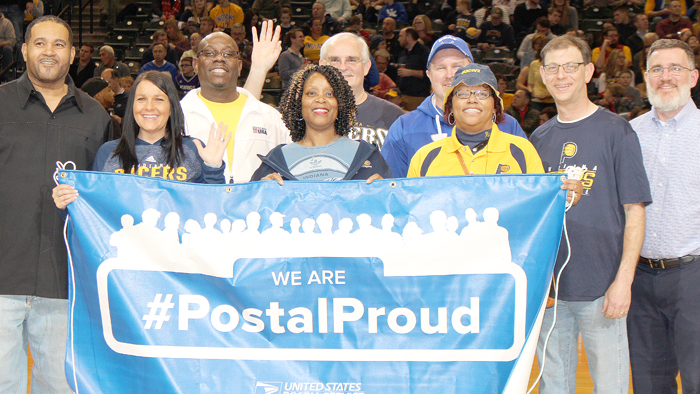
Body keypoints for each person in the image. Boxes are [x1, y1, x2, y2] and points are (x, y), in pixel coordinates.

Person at [530, 35, 651, 394]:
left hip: (603, 289)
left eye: (571, 66)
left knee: (610, 387)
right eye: (552, 68)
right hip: (552, 291)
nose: (561, 75)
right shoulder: (538, 138)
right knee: (555, 387)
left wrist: (623, 281)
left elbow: (635, 210)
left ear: (588, 71)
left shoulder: (616, 130)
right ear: (543, 75)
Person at [0, 15, 111, 394]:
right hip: (2, 279)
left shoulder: (96, 118)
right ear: (24, 49)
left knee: (59, 387)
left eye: (59, 44)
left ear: (74, 54)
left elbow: (108, 196)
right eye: (41, 43)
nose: (50, 52)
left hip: (65, 283)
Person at [628, 38, 700, 394]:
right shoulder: (629, 133)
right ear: (645, 77)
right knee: (649, 383)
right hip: (639, 279)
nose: (666, 77)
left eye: (676, 68)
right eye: (657, 69)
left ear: (694, 77)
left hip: (693, 276)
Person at [54, 71, 228, 214]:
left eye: (159, 99)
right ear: (132, 106)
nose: (149, 107)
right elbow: (93, 214)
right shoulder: (109, 152)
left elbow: (214, 210)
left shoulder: (193, 149)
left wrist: (213, 168)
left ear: (171, 108)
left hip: (178, 254)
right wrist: (66, 204)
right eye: (141, 99)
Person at [381, 35, 527, 178]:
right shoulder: (404, 127)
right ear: (429, 75)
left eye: (457, 66)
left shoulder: (507, 125)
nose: (450, 75)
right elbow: (392, 190)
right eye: (440, 68)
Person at [181, 30, 291, 183]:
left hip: (256, 206)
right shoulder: (177, 117)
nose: (219, 58)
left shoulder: (271, 117)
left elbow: (294, 167)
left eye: (227, 54)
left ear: (239, 66)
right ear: (195, 64)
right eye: (210, 53)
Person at [251, 65, 392, 182]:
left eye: (329, 94)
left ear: (340, 104)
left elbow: (394, 210)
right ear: (298, 103)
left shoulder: (368, 156)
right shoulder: (276, 160)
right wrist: (260, 193)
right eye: (311, 93)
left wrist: (385, 194)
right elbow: (250, 210)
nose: (320, 99)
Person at [408, 64, 544, 176]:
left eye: (482, 94)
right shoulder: (425, 157)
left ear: (495, 107)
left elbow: (540, 204)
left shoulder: (522, 151)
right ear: (451, 107)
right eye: (462, 93)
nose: (472, 99)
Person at [320, 32, 404, 149]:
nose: (343, 67)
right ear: (322, 65)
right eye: (335, 60)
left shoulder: (393, 115)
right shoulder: (304, 115)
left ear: (366, 67)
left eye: (352, 60)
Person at [396, 27, 431, 110]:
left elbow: (430, 73)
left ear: (408, 37)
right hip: (402, 95)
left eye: (401, 36)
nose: (398, 39)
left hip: (417, 97)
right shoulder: (403, 53)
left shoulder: (424, 52)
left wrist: (411, 72)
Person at [0, 11, 16, 80]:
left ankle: (5, 77)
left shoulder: (7, 23)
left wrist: (1, 44)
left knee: (8, 49)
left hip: (3, 47)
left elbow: (12, 41)